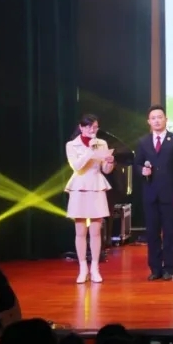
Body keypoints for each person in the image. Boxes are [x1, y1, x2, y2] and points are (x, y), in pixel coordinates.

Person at [135, 104, 173, 281]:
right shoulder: (143, 142)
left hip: (170, 194)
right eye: (153, 118)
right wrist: (141, 170)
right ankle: (155, 268)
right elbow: (137, 164)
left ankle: (169, 268)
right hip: (150, 194)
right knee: (152, 233)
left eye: (160, 117)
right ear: (148, 121)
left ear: (166, 119)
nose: (157, 120)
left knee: (170, 233)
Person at [65, 114, 115, 284]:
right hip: (79, 186)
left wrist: (109, 162)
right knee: (80, 231)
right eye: (88, 127)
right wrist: (89, 150)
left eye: (95, 127)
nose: (92, 130)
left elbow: (105, 170)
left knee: (96, 231)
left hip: (96, 185)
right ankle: (82, 268)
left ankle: (95, 268)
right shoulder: (71, 145)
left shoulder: (102, 143)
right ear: (81, 127)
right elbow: (77, 166)